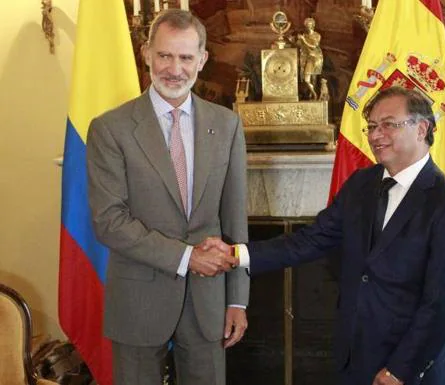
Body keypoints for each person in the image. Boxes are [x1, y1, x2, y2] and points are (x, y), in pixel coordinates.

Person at [205, 86, 445, 385]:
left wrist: (400, 371)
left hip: (409, 372)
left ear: (421, 128)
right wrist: (236, 254)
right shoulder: (362, 184)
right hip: (355, 361)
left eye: (388, 125)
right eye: (371, 126)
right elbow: (310, 240)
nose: (374, 135)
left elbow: (439, 305)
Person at [86, 9, 249, 385]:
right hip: (138, 301)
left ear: (202, 60)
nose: (175, 68)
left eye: (186, 57)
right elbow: (109, 221)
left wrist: (237, 298)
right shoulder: (110, 129)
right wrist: (188, 257)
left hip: (209, 303)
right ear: (146, 54)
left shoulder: (227, 125)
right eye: (165, 55)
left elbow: (235, 219)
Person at [297, 17, 323, 100]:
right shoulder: (305, 35)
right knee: (307, 79)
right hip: (307, 58)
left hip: (315, 58)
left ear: (313, 25)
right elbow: (300, 46)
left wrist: (303, 40)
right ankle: (313, 93)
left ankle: (313, 95)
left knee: (314, 78)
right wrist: (297, 40)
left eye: (310, 24)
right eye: (307, 25)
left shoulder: (317, 35)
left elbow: (314, 46)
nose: (308, 26)